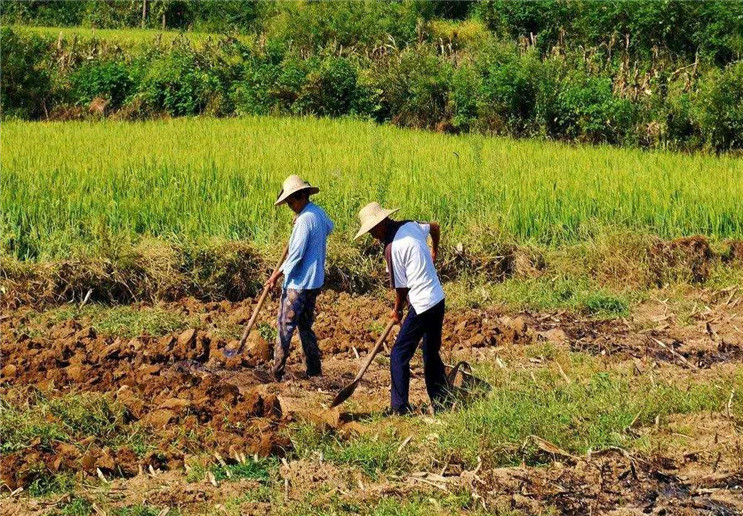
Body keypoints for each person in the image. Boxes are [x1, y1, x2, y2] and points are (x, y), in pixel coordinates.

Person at [354, 201, 447, 415]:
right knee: (430, 353)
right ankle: (442, 403)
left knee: (398, 354)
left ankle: (399, 408)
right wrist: (435, 251)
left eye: (372, 231)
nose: (372, 236)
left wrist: (397, 309)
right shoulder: (411, 225)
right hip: (438, 298)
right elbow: (435, 227)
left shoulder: (391, 248)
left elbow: (401, 288)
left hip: (423, 304)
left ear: (382, 224)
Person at [265, 175, 334, 381]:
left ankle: (276, 372)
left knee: (284, 326)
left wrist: (276, 275)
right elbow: (329, 227)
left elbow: (295, 255)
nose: (290, 206)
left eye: (291, 202)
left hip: (298, 284)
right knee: (305, 326)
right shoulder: (317, 213)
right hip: (314, 282)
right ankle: (314, 370)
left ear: (302, 196)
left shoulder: (304, 220)